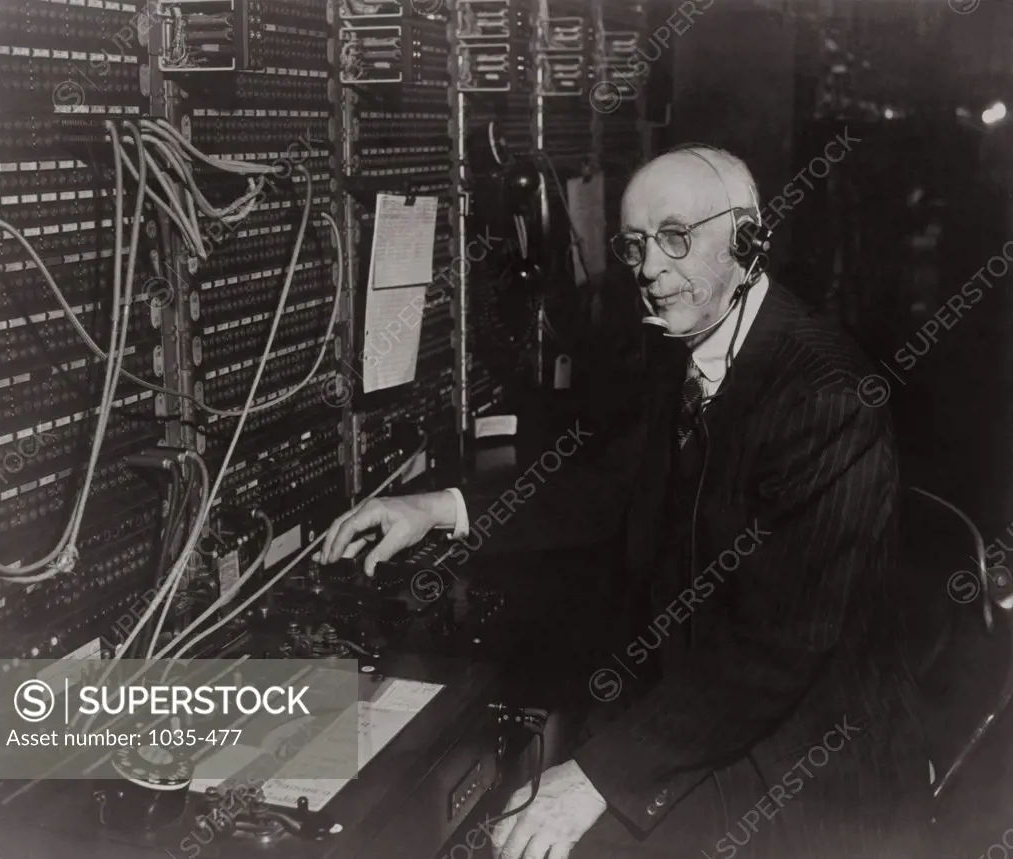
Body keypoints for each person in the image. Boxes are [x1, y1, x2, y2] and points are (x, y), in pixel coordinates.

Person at [319, 146, 929, 858]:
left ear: (748, 237)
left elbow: (778, 648)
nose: (648, 267)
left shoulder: (826, 396)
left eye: (676, 236)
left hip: (807, 769)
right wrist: (441, 507)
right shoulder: (694, 349)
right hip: (714, 716)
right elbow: (608, 483)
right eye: (635, 244)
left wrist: (596, 778)